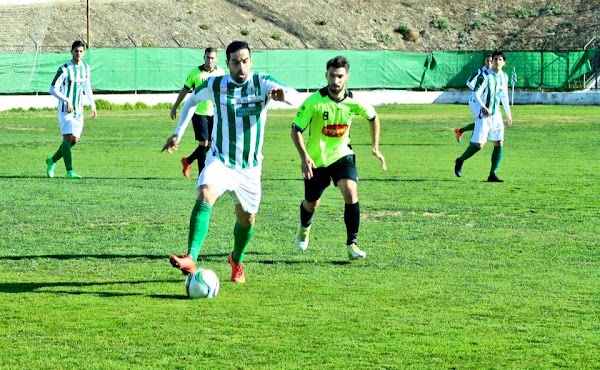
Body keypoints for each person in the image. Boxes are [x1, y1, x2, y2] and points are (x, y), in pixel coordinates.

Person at [162, 41, 297, 283]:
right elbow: (192, 101)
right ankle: (191, 256)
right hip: (221, 160)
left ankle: (237, 259)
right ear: (228, 64)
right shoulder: (216, 84)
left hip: (250, 168)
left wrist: (283, 96)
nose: (241, 66)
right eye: (236, 62)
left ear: (251, 62)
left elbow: (297, 97)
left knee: (247, 220)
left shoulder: (262, 82)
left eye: (245, 61)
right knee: (204, 192)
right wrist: (178, 133)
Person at [291, 55, 387, 260]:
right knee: (311, 203)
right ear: (326, 75)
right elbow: (295, 130)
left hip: (343, 154)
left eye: (340, 76)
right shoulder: (314, 102)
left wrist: (375, 147)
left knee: (350, 191)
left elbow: (373, 117)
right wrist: (304, 157)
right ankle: (304, 227)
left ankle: (352, 244)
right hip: (316, 160)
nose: (335, 81)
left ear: (347, 77)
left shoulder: (355, 102)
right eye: (332, 76)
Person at [454, 50, 513, 182]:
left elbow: (504, 95)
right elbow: (475, 93)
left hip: (496, 114)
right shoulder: (485, 76)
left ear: (504, 62)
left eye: (499, 59)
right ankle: (460, 160)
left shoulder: (504, 77)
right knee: (479, 145)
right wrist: (483, 106)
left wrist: (508, 114)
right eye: (495, 59)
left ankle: (492, 174)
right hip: (484, 114)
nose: (497, 62)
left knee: (499, 142)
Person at [170, 47, 226, 178]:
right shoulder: (195, 73)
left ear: (216, 59)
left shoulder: (221, 73)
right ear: (204, 57)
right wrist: (175, 107)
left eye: (212, 58)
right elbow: (185, 90)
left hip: (215, 113)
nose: (210, 60)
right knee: (203, 143)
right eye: (208, 57)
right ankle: (202, 175)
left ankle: (187, 161)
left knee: (210, 144)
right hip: (198, 113)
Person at [45, 40, 97, 179]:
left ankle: (52, 160)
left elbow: (87, 87)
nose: (78, 53)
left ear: (84, 53)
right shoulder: (64, 69)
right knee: (67, 138)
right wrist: (66, 100)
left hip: (79, 109)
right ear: (71, 51)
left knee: (74, 140)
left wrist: (93, 105)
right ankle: (70, 171)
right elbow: (52, 89)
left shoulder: (86, 68)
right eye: (76, 51)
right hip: (65, 109)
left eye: (81, 51)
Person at [454, 54, 493, 143]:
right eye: (488, 60)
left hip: (483, 101)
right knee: (480, 121)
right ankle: (473, 141)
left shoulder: (492, 73)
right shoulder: (479, 71)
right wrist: (479, 90)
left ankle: (460, 131)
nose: (489, 63)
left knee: (483, 120)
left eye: (491, 61)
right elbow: (469, 82)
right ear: (485, 61)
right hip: (475, 101)